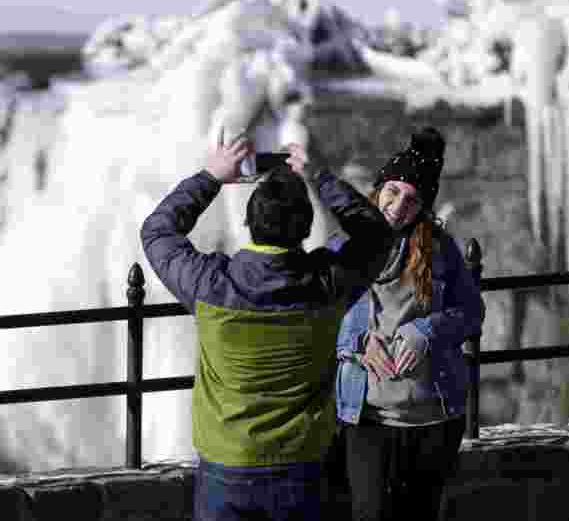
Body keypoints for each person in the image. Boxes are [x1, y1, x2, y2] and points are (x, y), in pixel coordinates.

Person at [140, 134, 395, 521]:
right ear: (307, 228)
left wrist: (212, 176)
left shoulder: (211, 285)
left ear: (248, 223)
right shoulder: (327, 284)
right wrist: (320, 176)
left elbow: (157, 232)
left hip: (227, 464)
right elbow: (376, 234)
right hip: (304, 464)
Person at [320, 127, 485, 521]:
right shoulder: (342, 248)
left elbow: (472, 311)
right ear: (377, 190)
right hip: (367, 415)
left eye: (412, 199)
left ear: (423, 207)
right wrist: (356, 342)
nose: (398, 205)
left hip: (434, 416)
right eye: (393, 191)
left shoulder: (440, 250)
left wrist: (424, 332)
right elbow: (318, 315)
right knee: (369, 514)